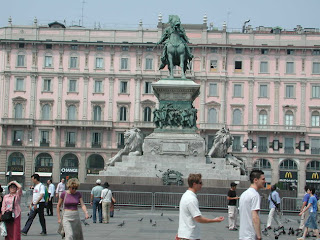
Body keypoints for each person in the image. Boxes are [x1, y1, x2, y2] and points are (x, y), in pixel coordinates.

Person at [177, 173, 224, 240]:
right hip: (190, 236)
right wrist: (214, 220)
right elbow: (198, 218)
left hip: (185, 234)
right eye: (200, 183)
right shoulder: (191, 199)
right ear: (194, 184)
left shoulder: (186, 195)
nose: (202, 185)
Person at [239, 169, 265, 240]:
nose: (264, 181)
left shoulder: (244, 194)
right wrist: (259, 236)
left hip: (243, 234)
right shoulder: (255, 195)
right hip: (250, 235)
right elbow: (255, 217)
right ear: (255, 180)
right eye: (263, 179)